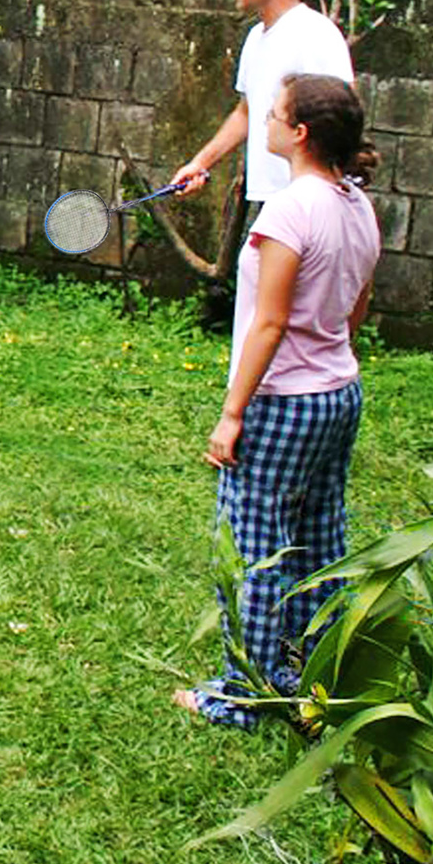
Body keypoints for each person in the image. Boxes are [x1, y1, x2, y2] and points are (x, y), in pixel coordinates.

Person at [174, 74, 381, 727]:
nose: (264, 122)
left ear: (300, 133)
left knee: (253, 544)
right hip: (339, 394)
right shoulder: (358, 206)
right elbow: (356, 307)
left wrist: (232, 413)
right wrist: (327, 356)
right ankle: (315, 675)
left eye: (274, 114)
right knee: (322, 540)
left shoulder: (291, 211)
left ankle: (248, 694)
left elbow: (268, 323)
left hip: (285, 401)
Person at [171, 0, 353, 205]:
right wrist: (201, 163)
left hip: (304, 202)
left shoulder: (316, 34)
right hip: (263, 197)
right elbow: (246, 112)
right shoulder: (256, 36)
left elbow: (344, 118)